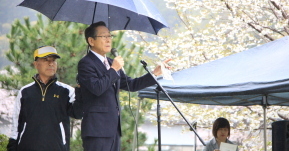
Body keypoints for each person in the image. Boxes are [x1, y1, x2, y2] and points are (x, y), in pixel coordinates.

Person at [77, 21, 170, 151]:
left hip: (113, 129)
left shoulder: (110, 62)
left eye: (110, 36)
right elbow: (97, 88)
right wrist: (114, 69)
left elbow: (131, 84)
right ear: (91, 41)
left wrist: (154, 73)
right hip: (97, 130)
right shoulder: (86, 63)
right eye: (104, 36)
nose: (108, 40)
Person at [7, 46, 83, 151]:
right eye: (46, 60)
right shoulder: (25, 92)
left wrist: (80, 90)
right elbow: (16, 125)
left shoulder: (67, 91)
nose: (51, 63)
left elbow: (78, 114)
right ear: (36, 64)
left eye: (54, 60)